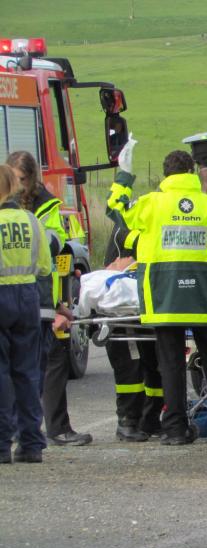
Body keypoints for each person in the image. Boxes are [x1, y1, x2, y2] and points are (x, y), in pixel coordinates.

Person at [122, 149, 207, 444]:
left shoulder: (152, 203)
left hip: (165, 296)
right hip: (203, 294)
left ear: (165, 174)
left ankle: (176, 429)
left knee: (171, 364)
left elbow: (121, 212)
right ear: (191, 172)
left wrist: (123, 177)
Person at [6, 151, 92, 446]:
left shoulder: (47, 208)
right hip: (24, 298)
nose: (19, 186)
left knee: (52, 362)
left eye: (22, 180)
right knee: (26, 368)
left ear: (31, 179)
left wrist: (61, 300)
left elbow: (59, 254)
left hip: (43, 297)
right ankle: (33, 430)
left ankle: (52, 428)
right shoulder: (17, 212)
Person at [103, 135, 164, 442]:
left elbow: (115, 206)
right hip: (122, 308)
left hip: (148, 304)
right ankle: (128, 420)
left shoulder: (143, 223)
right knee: (130, 366)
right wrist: (123, 175)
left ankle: (151, 418)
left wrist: (124, 175)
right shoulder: (132, 227)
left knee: (154, 364)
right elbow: (116, 208)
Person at [0, 164, 53, 463]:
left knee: (1, 374)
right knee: (27, 372)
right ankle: (32, 443)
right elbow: (45, 266)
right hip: (28, 298)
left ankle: (1, 445)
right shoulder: (31, 220)